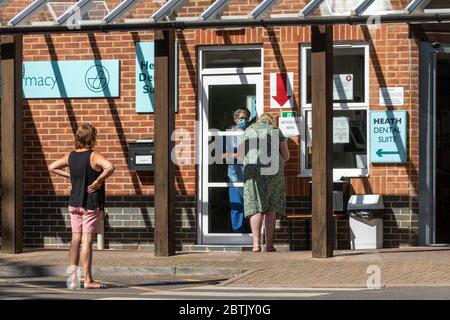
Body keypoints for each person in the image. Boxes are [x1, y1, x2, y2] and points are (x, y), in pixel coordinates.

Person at [49, 123, 115, 289]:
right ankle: (87, 280)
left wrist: (70, 176)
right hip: (90, 204)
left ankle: (72, 279)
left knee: (75, 239)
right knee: (86, 242)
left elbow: (52, 167)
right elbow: (110, 167)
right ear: (91, 138)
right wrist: (98, 180)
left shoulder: (70, 156)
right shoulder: (94, 156)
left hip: (74, 203)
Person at [240, 114, 290, 252]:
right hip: (273, 171)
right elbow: (286, 156)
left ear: (258, 120)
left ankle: (256, 245)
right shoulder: (275, 130)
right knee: (271, 206)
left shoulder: (248, 130)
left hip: (252, 171)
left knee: (255, 206)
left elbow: (240, 155)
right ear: (271, 121)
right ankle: (268, 245)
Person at [222, 108, 250, 233]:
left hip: (250, 174)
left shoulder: (251, 132)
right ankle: (238, 234)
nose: (243, 121)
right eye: (241, 118)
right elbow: (220, 155)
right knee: (236, 206)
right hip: (234, 175)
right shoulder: (229, 134)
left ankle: (253, 235)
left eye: (246, 118)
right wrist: (236, 156)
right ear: (235, 119)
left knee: (251, 207)